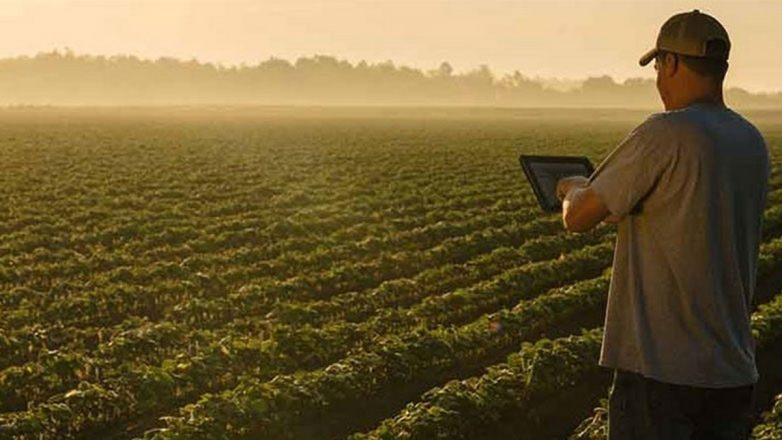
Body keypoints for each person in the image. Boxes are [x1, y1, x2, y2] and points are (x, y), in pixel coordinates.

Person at [555, 9, 770, 440]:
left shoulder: (667, 133)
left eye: (657, 67)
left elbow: (580, 218)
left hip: (662, 373)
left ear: (671, 63)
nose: (658, 80)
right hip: (730, 370)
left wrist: (572, 188)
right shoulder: (750, 140)